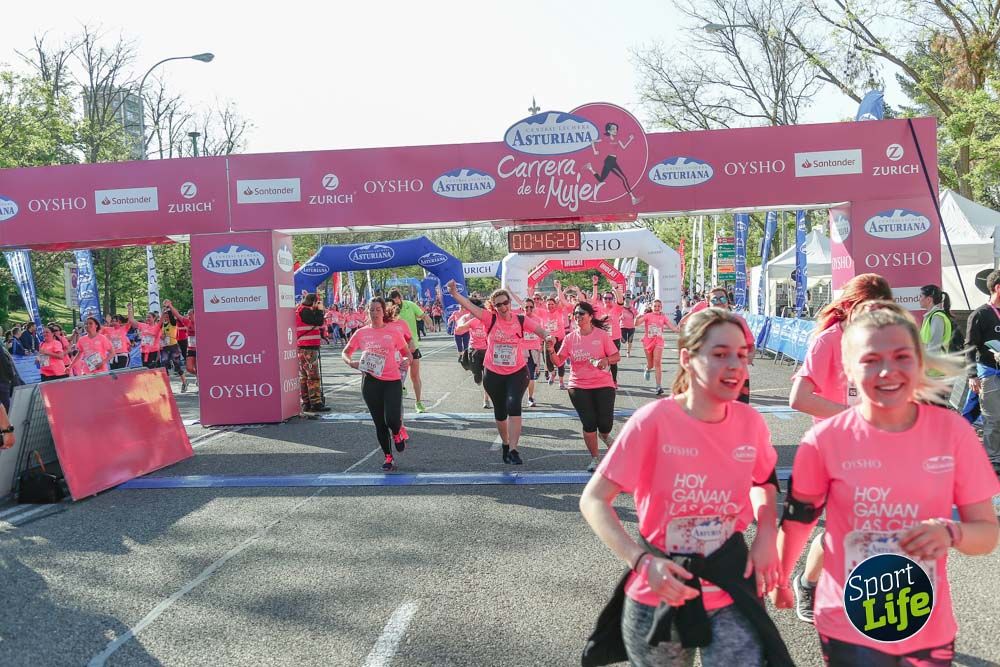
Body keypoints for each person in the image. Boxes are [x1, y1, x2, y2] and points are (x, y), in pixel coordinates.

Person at [773, 307, 1000, 665]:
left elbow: (987, 534)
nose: (887, 371)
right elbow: (798, 520)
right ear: (848, 367)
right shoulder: (825, 440)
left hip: (927, 624)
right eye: (871, 359)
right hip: (848, 623)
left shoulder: (952, 433)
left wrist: (950, 532)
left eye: (901, 357)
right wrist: (782, 577)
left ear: (919, 363)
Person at [579, 308, 788, 667]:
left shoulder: (750, 422)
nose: (736, 365)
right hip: (660, 589)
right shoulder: (654, 421)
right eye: (721, 354)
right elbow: (594, 500)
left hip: (729, 587)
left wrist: (767, 533)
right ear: (688, 359)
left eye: (742, 355)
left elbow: (763, 481)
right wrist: (641, 562)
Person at [786, 272, 893, 623]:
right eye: (870, 308)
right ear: (851, 304)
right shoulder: (829, 340)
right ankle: (808, 582)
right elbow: (798, 398)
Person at [447, 281, 548, 465]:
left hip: (517, 372)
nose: (502, 307)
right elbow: (469, 306)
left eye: (505, 303)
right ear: (494, 307)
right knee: (500, 412)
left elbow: (540, 330)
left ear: (510, 303)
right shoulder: (489, 318)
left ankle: (514, 450)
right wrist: (454, 293)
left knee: (514, 405)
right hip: (493, 373)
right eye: (498, 304)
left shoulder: (521, 320)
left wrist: (548, 337)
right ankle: (505, 443)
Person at [547, 301, 619, 472]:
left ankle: (605, 436)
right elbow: (558, 361)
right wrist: (550, 350)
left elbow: (616, 356)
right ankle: (595, 459)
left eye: (581, 313)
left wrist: (606, 360)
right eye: (575, 314)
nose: (577, 316)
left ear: (590, 316)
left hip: (603, 383)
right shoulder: (570, 338)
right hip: (578, 385)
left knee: (605, 424)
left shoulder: (601, 335)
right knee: (589, 423)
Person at [341, 298, 412, 472]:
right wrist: (351, 363)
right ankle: (388, 457)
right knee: (380, 423)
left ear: (383, 311)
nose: (374, 313)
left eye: (378, 309)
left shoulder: (393, 332)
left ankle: (397, 432)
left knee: (392, 419)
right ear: (368, 312)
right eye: (371, 310)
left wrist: (406, 360)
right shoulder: (361, 333)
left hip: (392, 381)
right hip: (370, 382)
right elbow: (346, 352)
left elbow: (407, 353)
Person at [966, 268, 1000, 478]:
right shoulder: (980, 314)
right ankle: (993, 460)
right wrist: (972, 375)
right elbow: (969, 346)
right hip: (989, 374)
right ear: (998, 287)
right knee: (993, 419)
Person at [388, 289, 432, 413]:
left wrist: (429, 323)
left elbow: (423, 316)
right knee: (396, 376)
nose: (396, 301)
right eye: (393, 299)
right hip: (397, 349)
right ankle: (400, 387)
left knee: (415, 376)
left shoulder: (410, 305)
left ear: (400, 297)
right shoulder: (390, 310)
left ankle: (418, 402)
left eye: (397, 298)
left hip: (412, 346)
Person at [583, 121, 641, 205]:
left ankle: (590, 168)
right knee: (624, 178)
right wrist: (595, 151)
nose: (615, 130)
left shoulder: (617, 139)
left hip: (612, 161)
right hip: (609, 161)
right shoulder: (605, 139)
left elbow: (624, 147)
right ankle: (633, 198)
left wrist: (630, 140)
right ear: (608, 131)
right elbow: (593, 141)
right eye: (613, 129)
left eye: (616, 129)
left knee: (601, 179)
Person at [635, 299, 679, 395]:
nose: (656, 308)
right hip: (647, 342)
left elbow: (673, 328)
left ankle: (658, 386)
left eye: (658, 306)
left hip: (658, 342)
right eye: (655, 306)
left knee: (657, 363)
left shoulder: (663, 317)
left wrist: (681, 329)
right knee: (651, 364)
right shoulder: (648, 315)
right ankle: (647, 368)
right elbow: (637, 324)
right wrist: (637, 318)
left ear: (661, 307)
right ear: (652, 307)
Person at [454, 299, 492, 409]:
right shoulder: (469, 319)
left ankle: (486, 400)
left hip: (487, 350)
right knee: (478, 377)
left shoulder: (487, 319)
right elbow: (459, 328)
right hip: (474, 350)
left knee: (487, 377)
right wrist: (461, 325)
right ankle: (477, 377)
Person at [296, 293, 329, 413]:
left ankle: (306, 402)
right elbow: (318, 322)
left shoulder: (300, 310)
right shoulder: (305, 311)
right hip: (308, 347)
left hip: (303, 347)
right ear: (314, 302)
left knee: (304, 376)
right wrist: (320, 311)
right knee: (313, 376)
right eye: (317, 302)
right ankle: (315, 403)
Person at [591, 276, 625, 386]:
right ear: (603, 299)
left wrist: (615, 287)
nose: (607, 300)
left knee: (613, 361)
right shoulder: (598, 308)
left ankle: (614, 381)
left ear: (612, 299)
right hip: (601, 339)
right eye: (606, 298)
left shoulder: (616, 308)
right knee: (600, 359)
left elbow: (620, 299)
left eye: (610, 298)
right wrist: (595, 284)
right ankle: (601, 380)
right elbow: (593, 299)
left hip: (614, 338)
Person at [159, 303, 189, 392]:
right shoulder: (162, 324)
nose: (165, 317)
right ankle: (167, 386)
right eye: (164, 316)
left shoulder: (173, 323)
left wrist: (168, 307)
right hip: (165, 347)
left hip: (173, 347)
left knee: (177, 365)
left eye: (167, 316)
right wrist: (161, 336)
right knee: (164, 366)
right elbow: (159, 333)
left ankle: (184, 382)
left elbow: (173, 316)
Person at [918, 284, 954, 354]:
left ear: (929, 299)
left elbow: (934, 346)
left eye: (920, 296)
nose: (919, 299)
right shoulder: (932, 316)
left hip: (936, 362)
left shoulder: (937, 317)